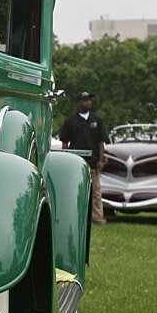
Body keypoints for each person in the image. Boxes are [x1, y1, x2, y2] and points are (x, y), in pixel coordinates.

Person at [59, 91, 109, 226]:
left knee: (96, 193)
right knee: (75, 191)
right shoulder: (70, 121)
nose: (89, 102)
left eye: (89, 100)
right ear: (79, 103)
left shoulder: (96, 120)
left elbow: (101, 141)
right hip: (76, 163)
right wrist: (66, 158)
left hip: (93, 162)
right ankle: (74, 216)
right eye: (85, 100)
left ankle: (97, 217)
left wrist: (101, 160)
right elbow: (65, 141)